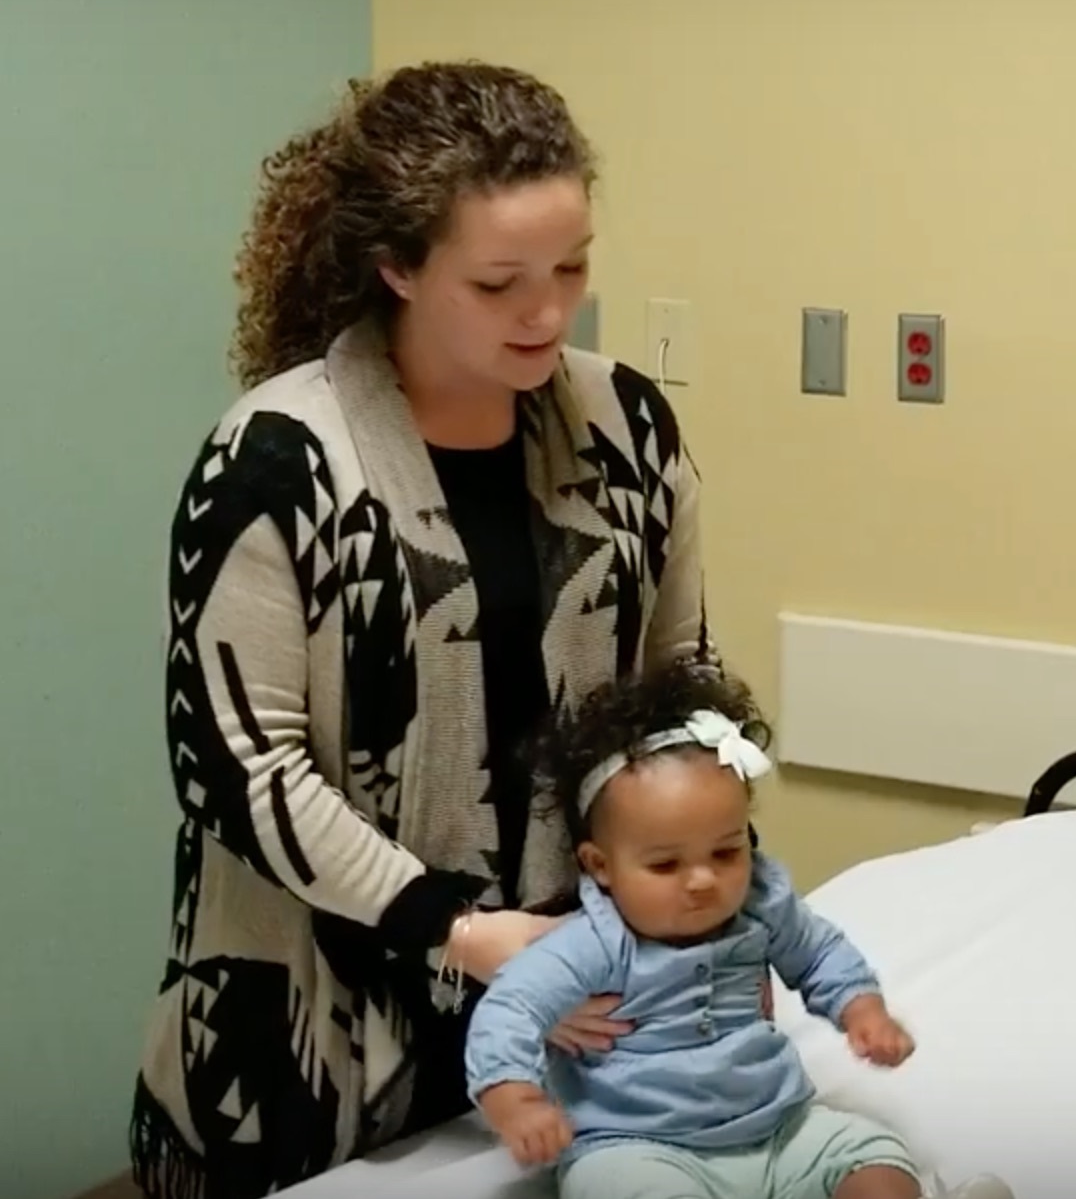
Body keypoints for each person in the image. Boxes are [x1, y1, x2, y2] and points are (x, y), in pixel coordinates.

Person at [130, 61, 715, 1199]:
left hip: (567, 994)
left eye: (572, 266)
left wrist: (693, 885)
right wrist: (458, 930)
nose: (549, 311)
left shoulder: (627, 428)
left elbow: (676, 686)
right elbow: (242, 770)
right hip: (309, 1023)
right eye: (499, 283)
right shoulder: (280, 459)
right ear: (395, 267)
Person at [464, 659, 1011, 1199]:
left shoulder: (760, 906)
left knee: (873, 1155)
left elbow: (820, 954)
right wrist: (514, 1096)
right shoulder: (591, 944)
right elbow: (511, 1008)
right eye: (665, 865)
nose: (703, 880)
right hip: (638, 1148)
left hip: (777, 1130)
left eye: (726, 851)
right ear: (601, 865)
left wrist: (861, 1009)